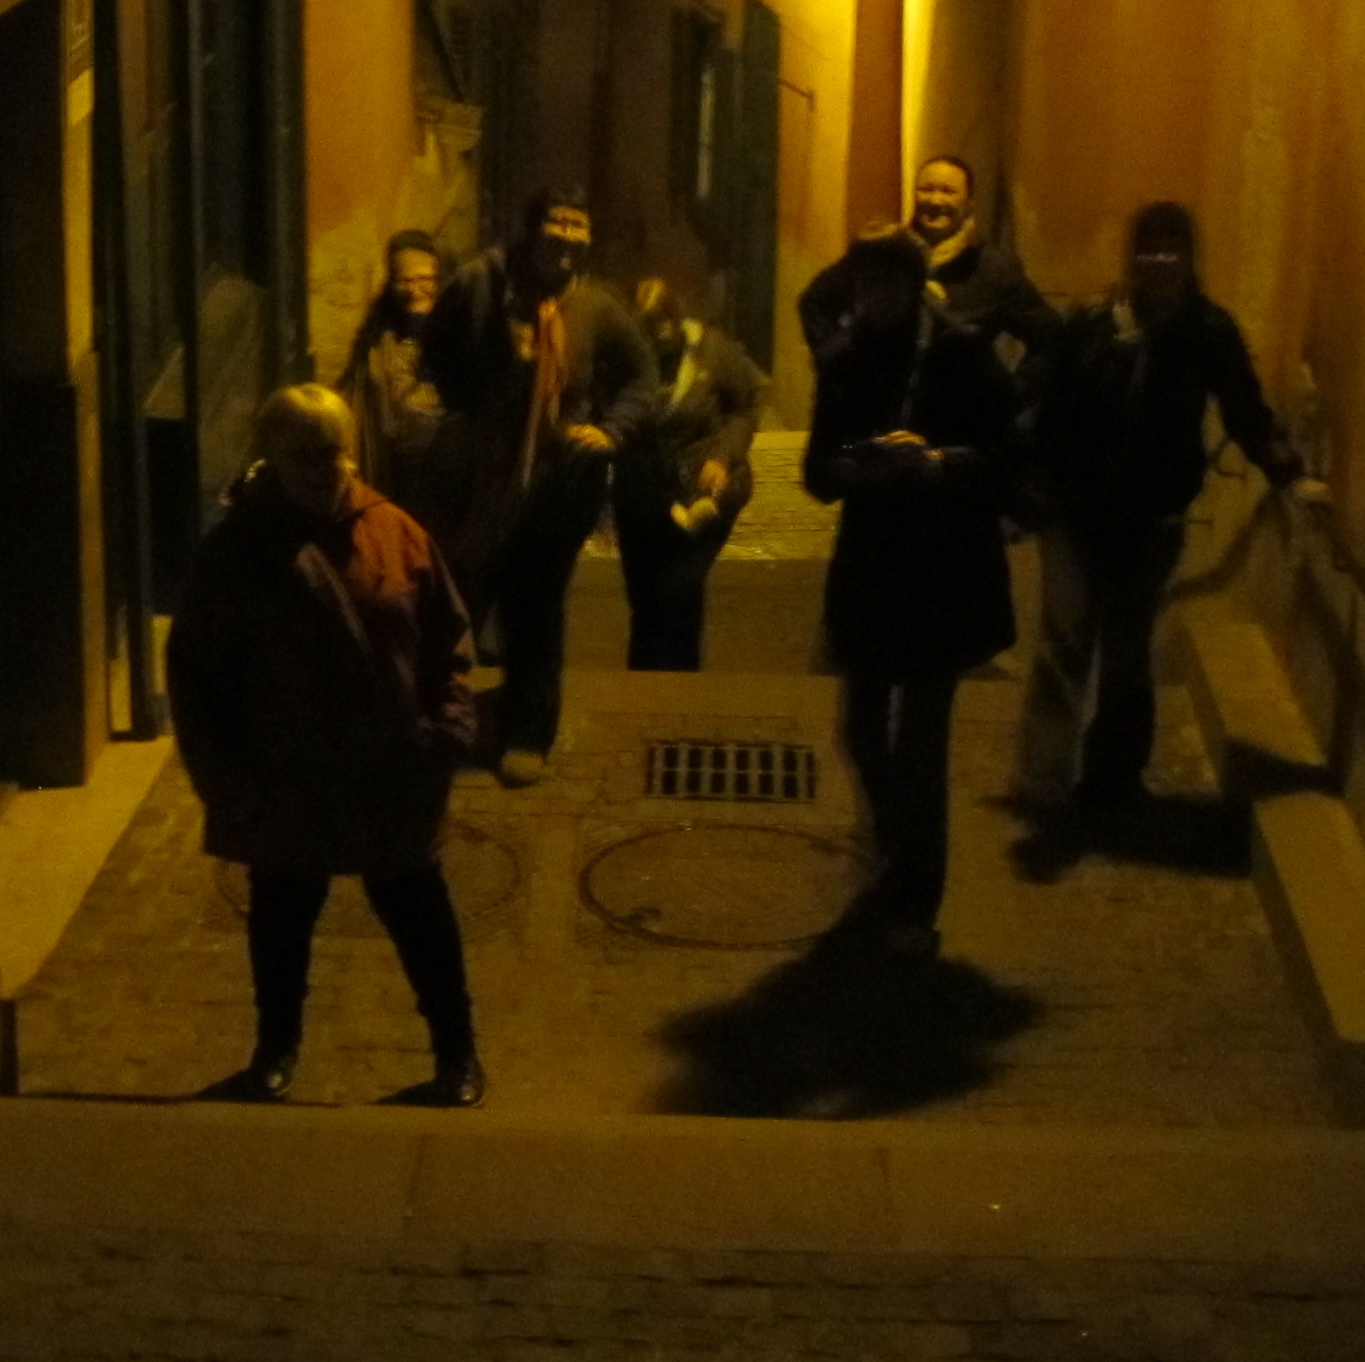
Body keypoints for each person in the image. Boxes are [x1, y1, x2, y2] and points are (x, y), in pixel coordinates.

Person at [164, 385, 486, 1105]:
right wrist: (227, 783)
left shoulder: (395, 532)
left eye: (334, 449)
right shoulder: (238, 552)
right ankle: (275, 1050)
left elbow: (447, 638)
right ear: (271, 456)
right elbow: (197, 676)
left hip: (390, 770)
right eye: (303, 452)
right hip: (289, 777)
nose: (324, 466)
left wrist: (447, 729)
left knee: (421, 919)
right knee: (281, 922)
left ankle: (457, 1054)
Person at [1012, 200, 1311, 821]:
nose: (1159, 260)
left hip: (1150, 520)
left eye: (1172, 248)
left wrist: (1285, 470)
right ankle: (1043, 777)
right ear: (1133, 254)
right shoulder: (1092, 321)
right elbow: (1051, 406)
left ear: (1189, 257)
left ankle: (1112, 779)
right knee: (1063, 642)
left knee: (1125, 651)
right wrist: (1029, 487)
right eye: (1149, 247)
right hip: (1074, 511)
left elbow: (1244, 411)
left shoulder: (1210, 331)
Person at [803, 227, 1019, 956]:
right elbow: (816, 474)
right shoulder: (848, 361)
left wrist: (937, 465)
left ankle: (914, 905)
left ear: (912, 286)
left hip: (944, 577)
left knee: (922, 745)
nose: (874, 301)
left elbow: (1010, 459)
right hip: (870, 574)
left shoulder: (962, 355)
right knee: (861, 731)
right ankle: (901, 855)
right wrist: (862, 466)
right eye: (863, 288)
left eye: (888, 286)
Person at [419, 189, 658, 783]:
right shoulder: (480, 286)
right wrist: (468, 419)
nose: (570, 237)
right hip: (477, 483)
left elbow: (643, 378)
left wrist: (610, 431)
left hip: (557, 487)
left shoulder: (597, 308)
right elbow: (436, 354)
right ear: (530, 231)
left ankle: (528, 731)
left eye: (581, 226)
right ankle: (438, 721)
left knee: (536, 607)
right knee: (456, 600)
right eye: (558, 222)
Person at [615, 277, 768, 671]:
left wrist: (722, 455)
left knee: (680, 586)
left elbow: (746, 405)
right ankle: (646, 681)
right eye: (649, 328)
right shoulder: (628, 357)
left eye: (665, 323)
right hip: (645, 490)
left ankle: (680, 673)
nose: (660, 335)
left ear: (678, 317)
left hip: (701, 487)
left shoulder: (711, 352)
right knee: (644, 593)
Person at [795, 153, 1054, 372]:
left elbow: (1051, 336)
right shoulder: (883, 251)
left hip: (953, 419)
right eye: (926, 189)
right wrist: (837, 365)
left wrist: (1015, 399)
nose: (935, 200)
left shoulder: (992, 268)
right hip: (883, 415)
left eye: (948, 191)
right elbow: (815, 302)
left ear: (969, 204)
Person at [339, 229, 463, 548]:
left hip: (452, 471)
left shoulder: (464, 332)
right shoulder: (378, 339)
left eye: (426, 279)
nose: (415, 290)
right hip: (395, 470)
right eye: (404, 280)